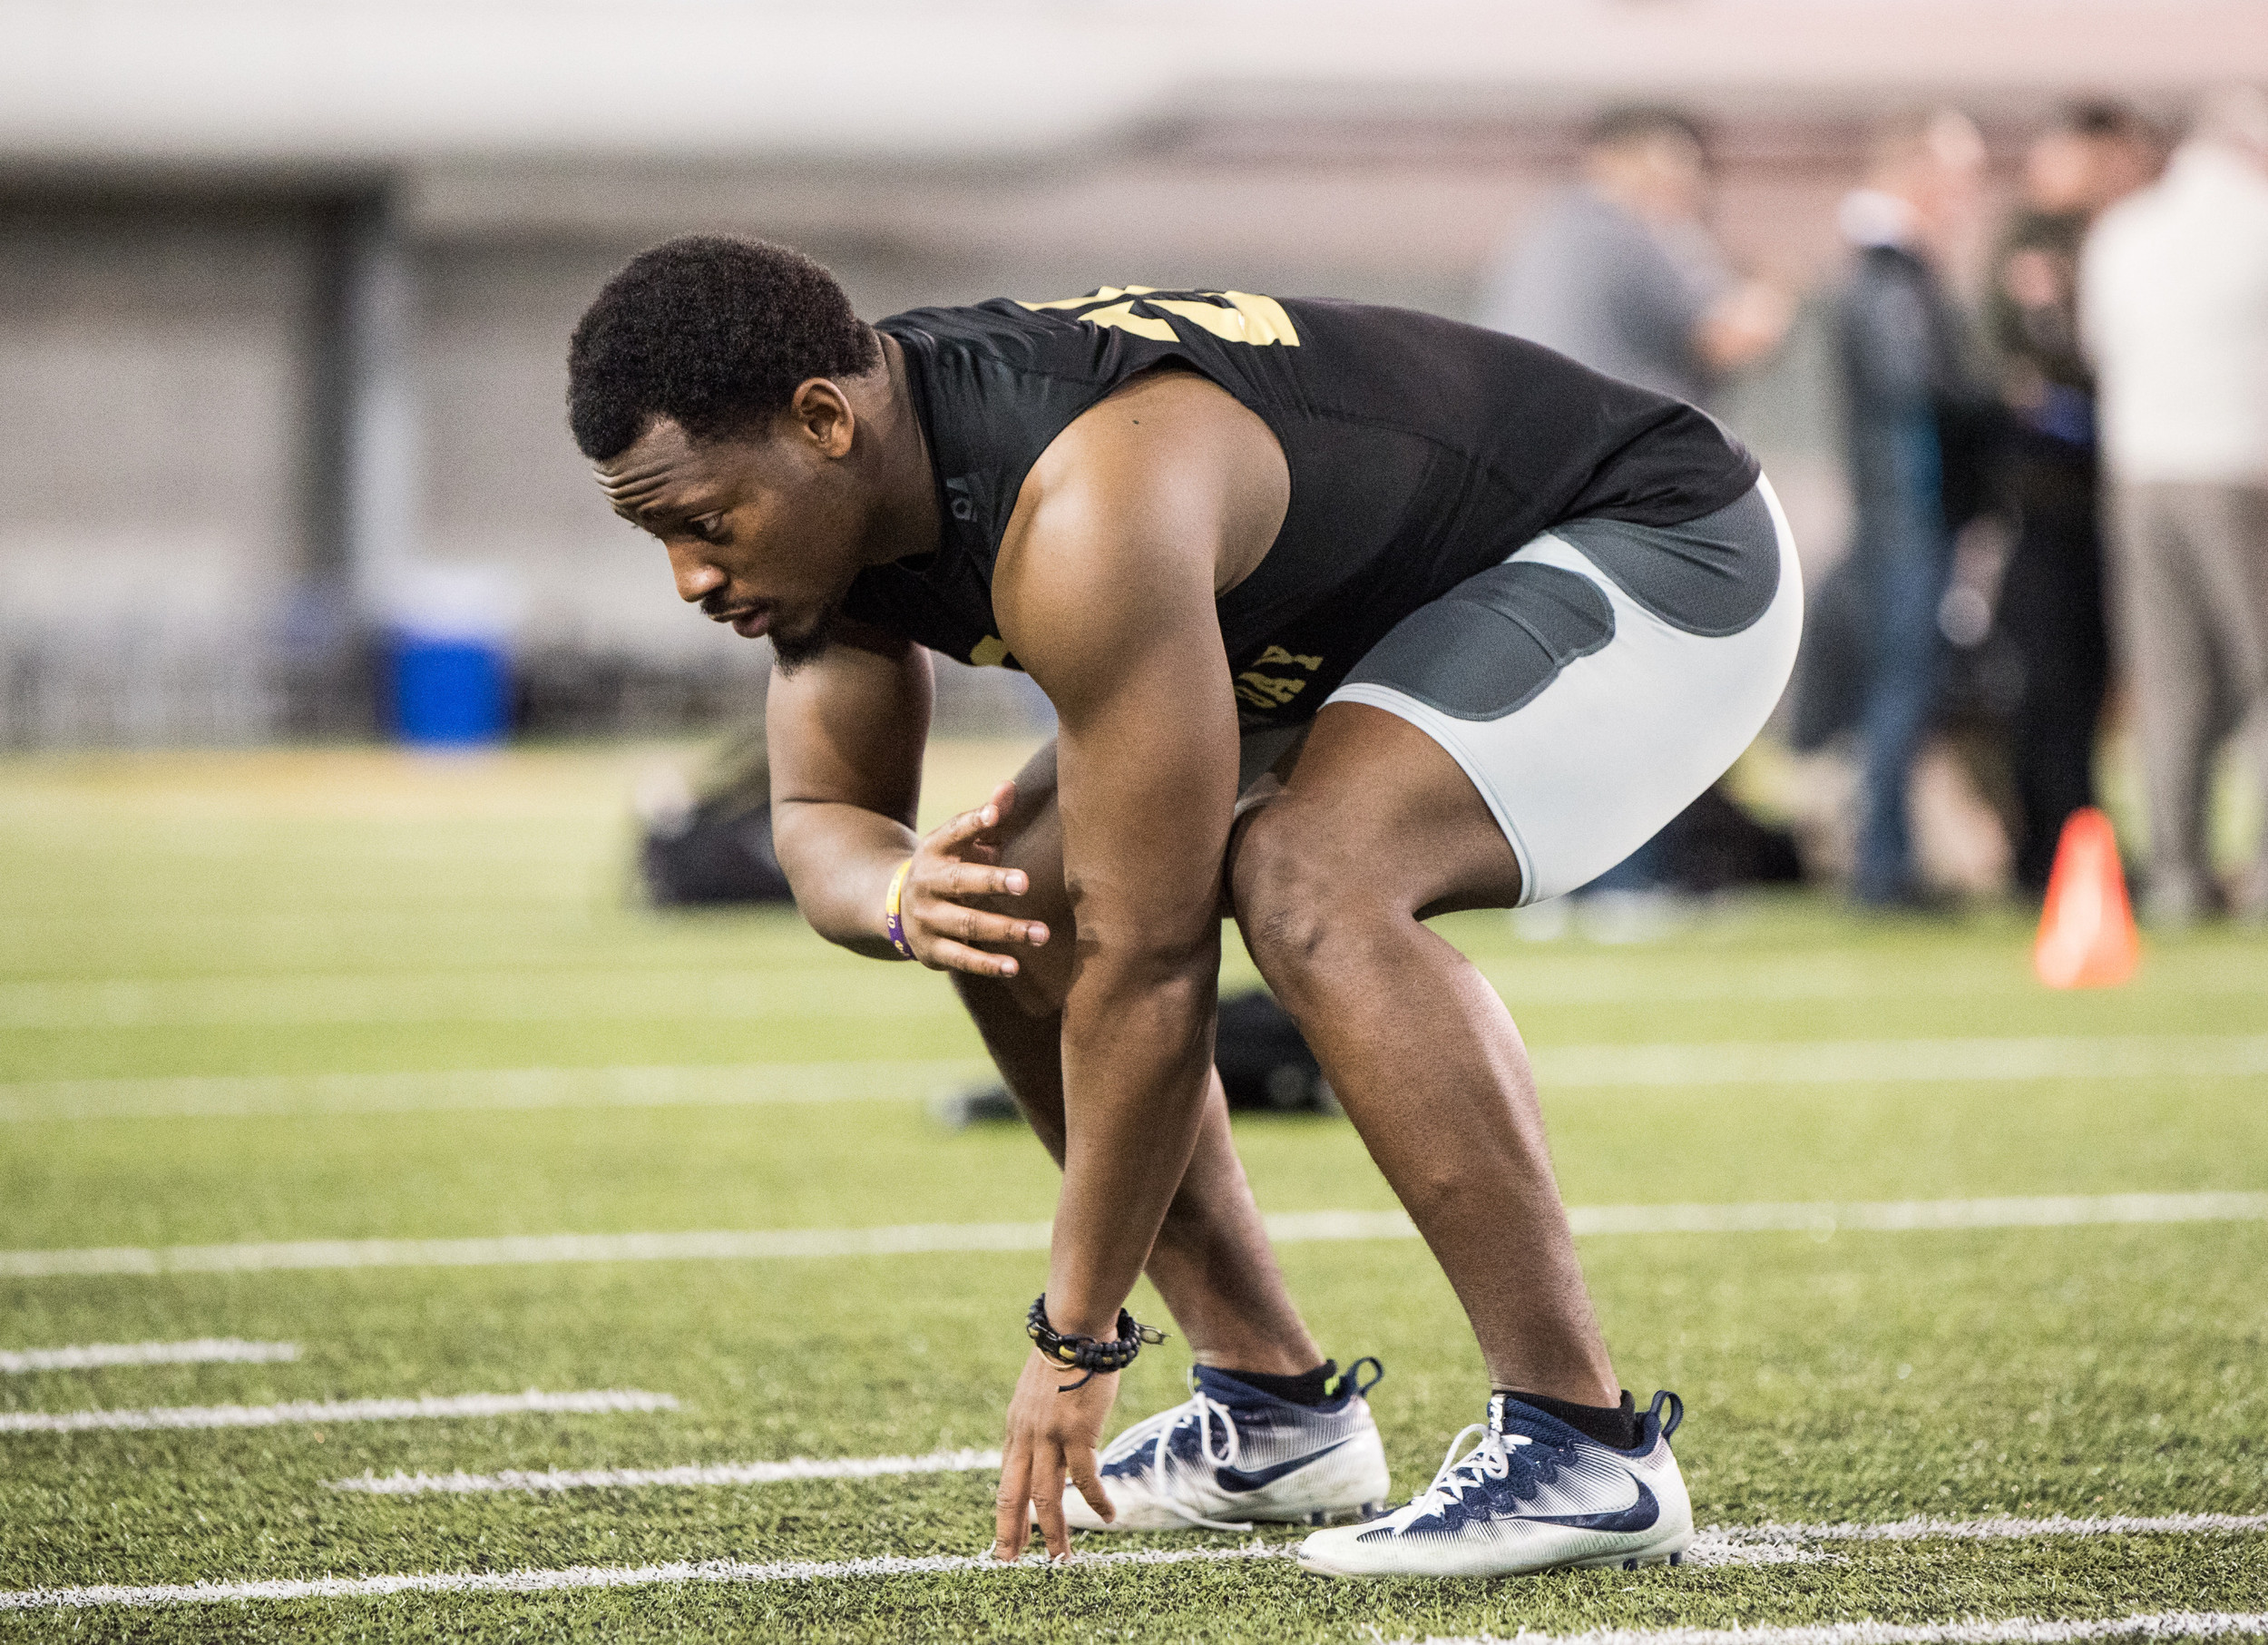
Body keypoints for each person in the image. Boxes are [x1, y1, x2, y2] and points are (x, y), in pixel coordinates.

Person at [565, 242, 1804, 1577]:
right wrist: (903, 892)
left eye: (703, 523)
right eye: (661, 538)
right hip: (1368, 613)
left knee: (1309, 877)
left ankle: (1585, 1444)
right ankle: (1270, 1408)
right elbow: (821, 822)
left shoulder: (1087, 502)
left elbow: (1153, 969)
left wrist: (1075, 1333)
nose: (690, 579)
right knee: (1006, 904)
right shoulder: (844, 487)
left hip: (1651, 538)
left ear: (824, 422)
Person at [1483, 107, 1794, 902]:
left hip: (1522, 492)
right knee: (1630, 687)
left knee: (1551, 689)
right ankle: (1624, 880)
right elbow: (1733, 333)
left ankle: (1547, 885)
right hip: (1613, 495)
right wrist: (1771, 285)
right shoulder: (1630, 229)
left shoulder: (1543, 231)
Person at [2082, 86, 2268, 924]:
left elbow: (2098, 348)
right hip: (2242, 468)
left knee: (2167, 683)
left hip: (2140, 474)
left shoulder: (2124, 231)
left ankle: (2178, 879)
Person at [1984, 103, 2163, 896]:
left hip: (2104, 505)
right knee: (2053, 686)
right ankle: (2055, 851)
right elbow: (2021, 377)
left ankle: (2080, 843)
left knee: (2093, 692)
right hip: (2049, 506)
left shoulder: (2121, 237)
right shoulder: (2034, 242)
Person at [1833, 109, 1996, 907]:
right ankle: (1882, 867)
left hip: (1905, 513)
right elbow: (1919, 389)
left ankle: (1889, 858)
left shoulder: (1892, 271)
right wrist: (2004, 404)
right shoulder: (1892, 273)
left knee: (1905, 690)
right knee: (1901, 689)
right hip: (1907, 514)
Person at [1482, 105, 1791, 410]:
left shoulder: (1548, 220)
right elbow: (1736, 339)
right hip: (1612, 446)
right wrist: (1773, 286)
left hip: (1519, 431)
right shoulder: (1632, 232)